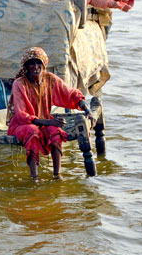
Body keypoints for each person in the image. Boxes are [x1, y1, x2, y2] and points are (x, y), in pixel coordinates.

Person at [7, 47, 95, 180]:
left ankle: (56, 174)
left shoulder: (50, 79)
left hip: (44, 121)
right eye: (32, 63)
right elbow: (21, 115)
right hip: (21, 125)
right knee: (32, 131)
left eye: (39, 63)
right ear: (26, 66)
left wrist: (87, 110)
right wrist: (48, 122)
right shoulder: (19, 84)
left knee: (55, 130)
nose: (36, 67)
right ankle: (34, 177)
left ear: (44, 65)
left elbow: (70, 94)